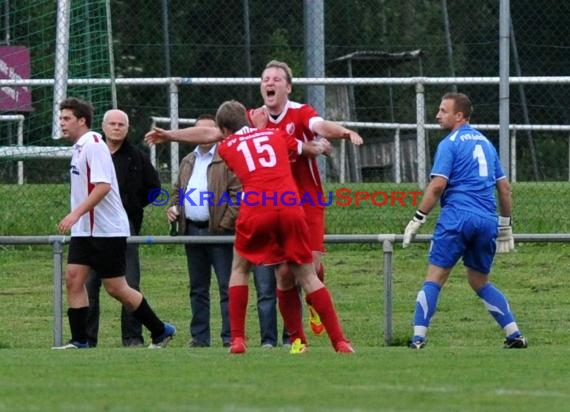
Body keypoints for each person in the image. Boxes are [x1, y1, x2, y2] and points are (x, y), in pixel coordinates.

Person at [146, 100, 354, 355]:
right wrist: (324, 145)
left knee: (240, 269)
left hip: (257, 210)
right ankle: (340, 342)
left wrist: (169, 135)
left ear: (223, 129)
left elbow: (208, 134)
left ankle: (238, 340)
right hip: (290, 208)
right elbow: (306, 148)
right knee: (307, 276)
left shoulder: (228, 145)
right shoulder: (276, 135)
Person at [402, 92, 527, 350]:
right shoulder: (486, 143)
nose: (437, 115)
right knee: (479, 281)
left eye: (443, 110)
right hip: (486, 220)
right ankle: (514, 334)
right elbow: (504, 189)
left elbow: (437, 186)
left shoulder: (449, 143)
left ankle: (417, 339)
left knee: (434, 278)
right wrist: (505, 226)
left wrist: (418, 218)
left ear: (459, 116)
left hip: (457, 218)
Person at [248, 60, 363, 337]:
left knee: (309, 267)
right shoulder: (254, 118)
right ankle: (297, 339)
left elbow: (320, 125)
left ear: (288, 87)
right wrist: (304, 148)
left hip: (307, 202)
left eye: (276, 79)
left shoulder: (300, 113)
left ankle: (314, 303)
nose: (270, 83)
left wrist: (345, 132)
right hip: (275, 204)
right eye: (265, 79)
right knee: (285, 273)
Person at [52, 97, 175, 349]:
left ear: (82, 121)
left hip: (107, 230)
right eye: (61, 118)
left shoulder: (94, 144)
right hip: (86, 230)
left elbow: (103, 187)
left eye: (67, 118)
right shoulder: (78, 148)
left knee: (116, 288)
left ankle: (160, 330)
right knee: (73, 279)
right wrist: (79, 221)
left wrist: (75, 214)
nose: (62, 123)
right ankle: (79, 341)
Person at [85, 109, 161, 348]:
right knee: (88, 283)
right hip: (93, 225)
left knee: (129, 283)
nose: (116, 128)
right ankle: (86, 338)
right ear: (103, 127)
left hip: (123, 227)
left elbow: (155, 189)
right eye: (112, 124)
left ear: (127, 129)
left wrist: (132, 205)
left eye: (121, 124)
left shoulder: (137, 158)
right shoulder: (92, 153)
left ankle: (132, 337)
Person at [167, 114, 240, 348]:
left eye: (209, 130)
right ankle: (199, 337)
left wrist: (224, 225)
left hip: (220, 234)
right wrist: (174, 208)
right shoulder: (188, 160)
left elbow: (238, 196)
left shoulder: (228, 159)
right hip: (192, 232)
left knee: (227, 287)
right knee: (197, 288)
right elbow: (178, 190)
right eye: (199, 130)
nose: (204, 135)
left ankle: (230, 337)